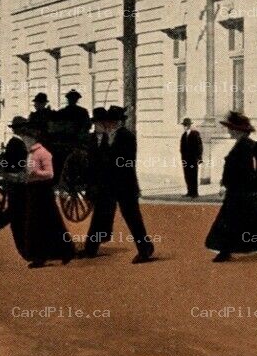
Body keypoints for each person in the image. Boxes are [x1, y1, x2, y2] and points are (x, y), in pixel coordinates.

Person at [83, 106, 155, 263]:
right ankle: (90, 248)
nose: (110, 124)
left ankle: (145, 249)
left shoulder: (127, 136)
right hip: (108, 185)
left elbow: (128, 162)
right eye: (109, 122)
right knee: (100, 214)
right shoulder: (106, 137)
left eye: (113, 122)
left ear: (120, 122)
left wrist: (109, 163)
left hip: (125, 185)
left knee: (132, 217)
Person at [206, 111, 257, 262]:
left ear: (237, 130)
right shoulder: (245, 144)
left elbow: (240, 170)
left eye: (230, 128)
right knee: (253, 222)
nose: (228, 131)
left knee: (231, 221)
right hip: (243, 192)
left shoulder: (245, 146)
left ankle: (225, 251)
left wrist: (226, 184)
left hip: (241, 192)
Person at [19, 124, 76, 268]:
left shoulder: (43, 153)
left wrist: (35, 174)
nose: (24, 141)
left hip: (42, 191)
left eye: (26, 139)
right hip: (33, 189)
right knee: (38, 224)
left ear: (33, 139)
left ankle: (58, 252)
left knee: (46, 223)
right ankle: (43, 255)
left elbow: (50, 174)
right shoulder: (31, 152)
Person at [0, 117, 31, 250]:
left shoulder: (18, 142)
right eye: (23, 127)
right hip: (16, 182)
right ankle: (23, 245)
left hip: (17, 181)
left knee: (16, 211)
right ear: (18, 129)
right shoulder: (15, 143)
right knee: (17, 212)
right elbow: (11, 165)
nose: (25, 129)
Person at [179, 118, 203, 198]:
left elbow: (199, 147)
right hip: (185, 160)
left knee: (193, 175)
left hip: (193, 160)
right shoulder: (183, 135)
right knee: (187, 175)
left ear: (190, 125)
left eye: (186, 125)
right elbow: (181, 148)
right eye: (184, 125)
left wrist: (199, 158)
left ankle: (195, 193)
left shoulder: (195, 134)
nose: (185, 127)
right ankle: (189, 192)